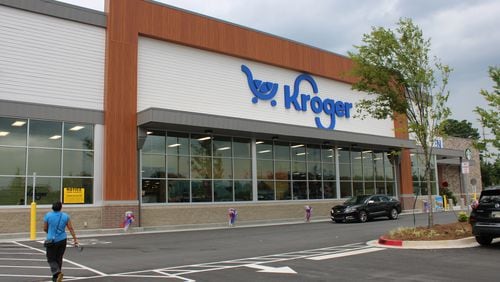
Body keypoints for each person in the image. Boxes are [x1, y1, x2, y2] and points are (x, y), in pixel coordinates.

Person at [43, 201, 78, 282]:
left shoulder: (48, 215)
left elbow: (45, 228)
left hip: (51, 240)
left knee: (51, 258)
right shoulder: (65, 216)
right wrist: (75, 239)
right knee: (59, 258)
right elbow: (70, 228)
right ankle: (56, 278)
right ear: (61, 207)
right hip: (62, 240)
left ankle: (57, 273)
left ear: (52, 207)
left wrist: (50, 233)